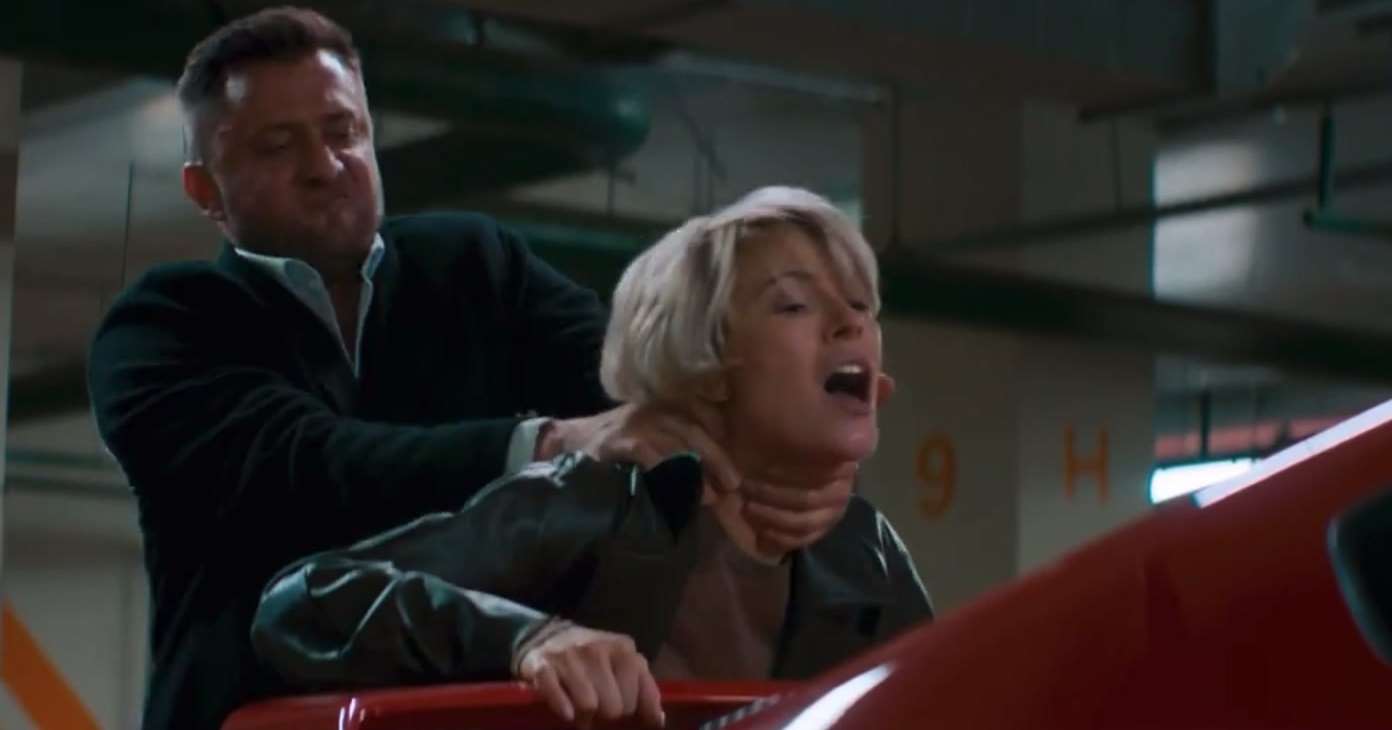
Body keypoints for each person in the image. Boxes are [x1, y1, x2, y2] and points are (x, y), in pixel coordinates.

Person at [84, 9, 855, 730]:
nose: (325, 165)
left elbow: (639, 385)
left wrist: (781, 447)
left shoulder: (475, 265)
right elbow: (308, 467)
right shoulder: (161, 329)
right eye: (277, 147)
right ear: (205, 190)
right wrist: (551, 443)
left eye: (343, 131)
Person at [252, 186, 935, 728]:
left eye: (860, 305)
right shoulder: (596, 500)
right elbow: (304, 602)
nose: (851, 323)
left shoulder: (865, 551)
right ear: (707, 365)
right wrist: (527, 640)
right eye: (794, 305)